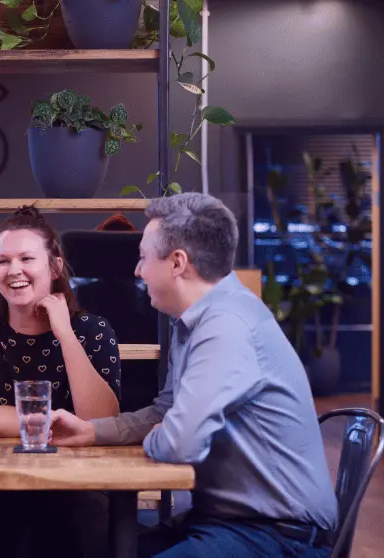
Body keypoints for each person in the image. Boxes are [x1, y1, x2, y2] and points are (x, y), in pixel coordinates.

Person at [50, 193, 339, 557]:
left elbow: (180, 443)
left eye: (142, 257)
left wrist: (165, 435)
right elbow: (165, 413)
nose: (137, 271)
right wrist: (93, 431)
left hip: (278, 536)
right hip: (224, 521)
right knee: (85, 543)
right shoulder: (191, 323)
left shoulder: (226, 326)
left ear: (177, 263)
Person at [0, 206, 122, 558]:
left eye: (26, 258)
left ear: (54, 267)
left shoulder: (93, 330)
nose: (14, 270)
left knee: (85, 522)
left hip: (75, 485)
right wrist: (61, 421)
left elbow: (101, 419)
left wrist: (65, 333)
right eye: (3, 261)